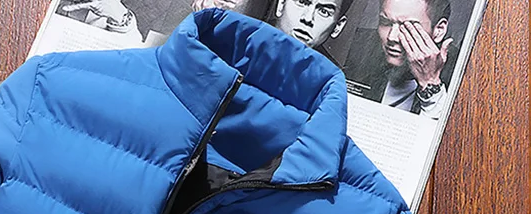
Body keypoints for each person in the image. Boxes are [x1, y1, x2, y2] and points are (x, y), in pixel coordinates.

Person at [344, 0, 457, 118]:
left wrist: (430, 82)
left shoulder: (459, 72)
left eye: (408, 27)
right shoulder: (356, 46)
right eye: (386, 22)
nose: (392, 37)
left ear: (439, 30)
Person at [191, 0, 351, 65]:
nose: (308, 19)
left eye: (324, 11)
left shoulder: (332, 79)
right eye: (302, 2)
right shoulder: (235, 40)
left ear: (338, 26)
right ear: (281, 4)